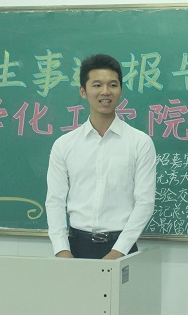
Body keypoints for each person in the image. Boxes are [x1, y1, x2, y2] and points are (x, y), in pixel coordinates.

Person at [45, 54, 157, 259]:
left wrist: (118, 251)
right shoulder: (64, 144)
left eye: (113, 85)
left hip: (122, 247)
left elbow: (145, 203)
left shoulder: (140, 143)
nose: (105, 92)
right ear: (83, 91)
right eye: (97, 85)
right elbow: (55, 201)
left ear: (120, 90)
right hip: (75, 248)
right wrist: (61, 250)